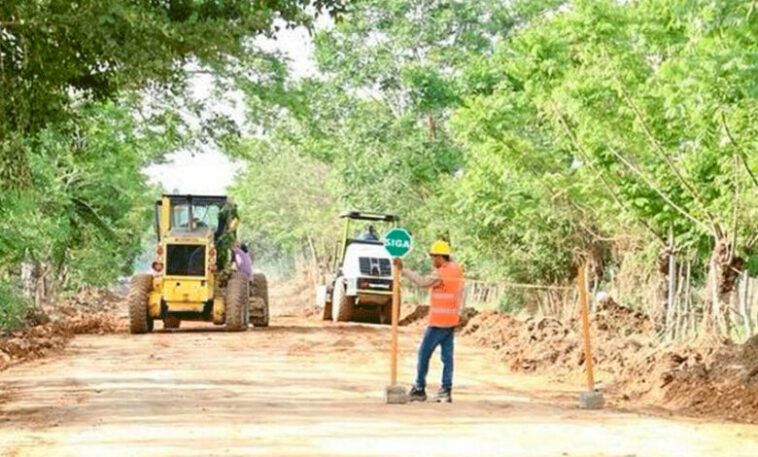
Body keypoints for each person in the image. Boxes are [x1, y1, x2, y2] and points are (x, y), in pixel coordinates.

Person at [393, 239, 464, 403]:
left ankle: (419, 388)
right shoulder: (457, 269)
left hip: (438, 322)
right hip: (451, 320)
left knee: (423, 354)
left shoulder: (442, 272)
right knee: (447, 358)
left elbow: (422, 283)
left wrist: (404, 269)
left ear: (441, 257)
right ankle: (446, 391)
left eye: (434, 257)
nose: (433, 261)